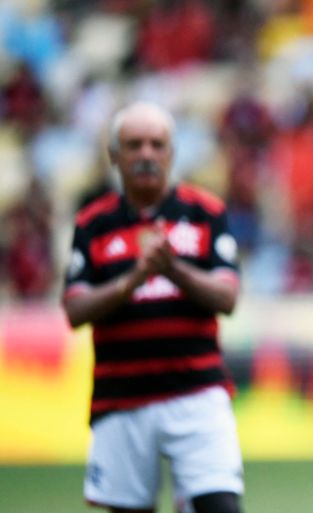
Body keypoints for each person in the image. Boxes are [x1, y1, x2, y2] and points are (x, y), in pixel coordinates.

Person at [61, 101, 244, 513]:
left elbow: (228, 298)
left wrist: (171, 270)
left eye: (156, 144)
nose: (146, 154)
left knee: (220, 507)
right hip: (121, 398)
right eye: (134, 145)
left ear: (171, 152)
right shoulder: (92, 223)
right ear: (114, 156)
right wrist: (132, 281)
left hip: (197, 394)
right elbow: (74, 310)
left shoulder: (205, 212)